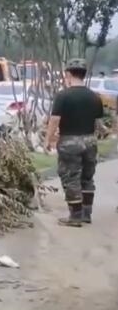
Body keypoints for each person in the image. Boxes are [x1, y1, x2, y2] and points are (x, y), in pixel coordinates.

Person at [45, 58, 106, 227]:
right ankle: (86, 213)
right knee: (87, 177)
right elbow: (99, 123)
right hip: (90, 141)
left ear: (68, 74)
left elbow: (54, 120)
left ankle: (75, 216)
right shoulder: (94, 97)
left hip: (69, 142)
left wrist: (48, 139)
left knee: (71, 177)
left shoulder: (63, 96)